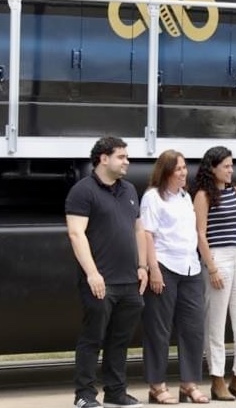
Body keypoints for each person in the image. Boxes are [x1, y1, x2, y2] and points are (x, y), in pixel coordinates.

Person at [65, 136, 146, 408]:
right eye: (122, 157)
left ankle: (116, 392)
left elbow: (138, 230)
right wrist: (92, 273)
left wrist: (143, 267)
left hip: (129, 281)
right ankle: (84, 395)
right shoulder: (82, 191)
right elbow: (76, 234)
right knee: (92, 339)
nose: (127, 162)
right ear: (103, 158)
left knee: (120, 341)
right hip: (100, 281)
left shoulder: (130, 190)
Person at [140, 150, 208, 405]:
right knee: (159, 329)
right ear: (166, 171)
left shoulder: (184, 196)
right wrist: (153, 268)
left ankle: (189, 383)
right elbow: (147, 234)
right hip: (165, 266)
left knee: (193, 329)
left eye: (184, 168)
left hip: (190, 267)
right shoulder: (152, 198)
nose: (183, 172)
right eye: (178, 168)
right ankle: (156, 385)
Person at [191, 146, 236, 401]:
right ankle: (217, 379)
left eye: (232, 165)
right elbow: (200, 233)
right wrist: (212, 267)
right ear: (213, 168)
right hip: (218, 255)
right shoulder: (203, 195)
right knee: (216, 322)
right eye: (226, 166)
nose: (231, 170)